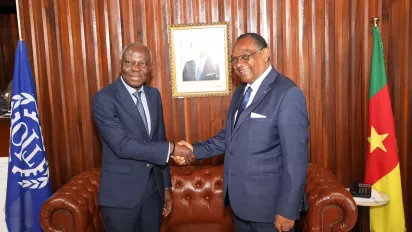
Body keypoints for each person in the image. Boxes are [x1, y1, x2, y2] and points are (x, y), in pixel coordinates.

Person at [177, 33, 309, 232]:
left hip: (270, 210)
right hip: (240, 206)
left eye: (245, 56)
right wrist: (193, 150)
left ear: (265, 54)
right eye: (234, 59)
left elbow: (296, 160)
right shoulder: (241, 91)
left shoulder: (287, 94)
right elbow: (229, 137)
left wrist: (287, 210)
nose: (239, 64)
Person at [92, 42, 194, 232]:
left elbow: (159, 139)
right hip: (120, 197)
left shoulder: (154, 95)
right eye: (129, 62)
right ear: (121, 64)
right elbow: (121, 145)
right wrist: (172, 149)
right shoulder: (104, 99)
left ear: (150, 68)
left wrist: (166, 189)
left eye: (142, 63)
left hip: (152, 194)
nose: (135, 69)